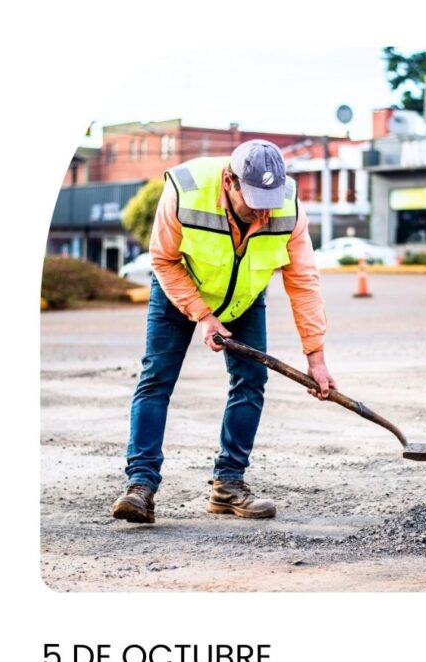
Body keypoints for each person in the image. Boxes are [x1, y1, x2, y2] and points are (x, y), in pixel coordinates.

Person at [111, 139, 335, 525]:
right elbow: (162, 259)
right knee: (156, 380)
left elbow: (303, 280)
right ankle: (140, 486)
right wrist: (201, 315)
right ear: (229, 181)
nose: (263, 212)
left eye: (270, 200)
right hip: (179, 288)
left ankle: (228, 485)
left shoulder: (288, 206)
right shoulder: (185, 189)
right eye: (254, 200)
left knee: (251, 382)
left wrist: (315, 357)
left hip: (244, 299)